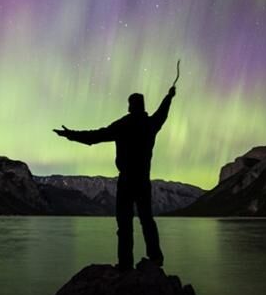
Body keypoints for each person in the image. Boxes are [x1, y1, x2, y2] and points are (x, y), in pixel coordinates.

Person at [53, 85, 176, 270]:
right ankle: (156, 258)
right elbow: (162, 112)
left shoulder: (123, 125)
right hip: (143, 180)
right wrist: (169, 96)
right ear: (142, 106)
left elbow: (95, 136)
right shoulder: (150, 124)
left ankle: (125, 264)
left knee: (124, 224)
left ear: (130, 106)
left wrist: (70, 135)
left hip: (126, 181)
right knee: (147, 220)